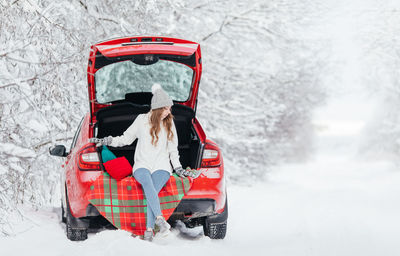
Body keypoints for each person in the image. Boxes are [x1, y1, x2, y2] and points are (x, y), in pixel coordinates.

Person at [89, 83, 195, 241]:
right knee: (147, 184)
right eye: (166, 108)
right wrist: (107, 140)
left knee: (151, 190)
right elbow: (125, 139)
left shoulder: (169, 124)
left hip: (162, 167)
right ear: (158, 108)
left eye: (169, 108)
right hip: (142, 165)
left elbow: (173, 150)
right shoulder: (141, 120)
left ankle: (149, 230)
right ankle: (159, 221)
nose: (169, 112)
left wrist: (178, 168)